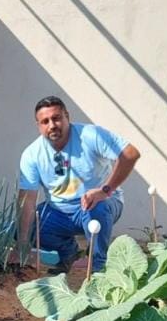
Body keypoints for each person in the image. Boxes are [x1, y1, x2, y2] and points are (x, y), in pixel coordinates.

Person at [16, 95, 141, 272]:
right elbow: (27, 201)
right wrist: (23, 246)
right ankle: (69, 252)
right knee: (23, 227)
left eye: (56, 118)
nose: (52, 125)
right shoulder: (31, 154)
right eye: (45, 121)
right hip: (58, 212)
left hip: (97, 204)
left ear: (67, 116)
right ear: (38, 126)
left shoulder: (91, 135)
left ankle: (98, 267)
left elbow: (130, 154)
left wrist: (105, 190)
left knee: (97, 208)